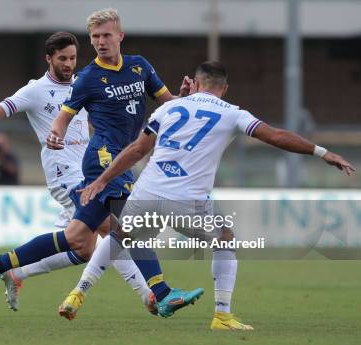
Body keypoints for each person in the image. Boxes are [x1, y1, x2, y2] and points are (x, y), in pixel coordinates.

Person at [74, 61, 356, 329]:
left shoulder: (170, 108)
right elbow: (276, 136)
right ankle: (222, 315)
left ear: (194, 83)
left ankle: (78, 293)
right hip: (186, 200)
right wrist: (322, 152)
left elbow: (137, 149)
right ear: (225, 87)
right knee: (224, 239)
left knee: (118, 238)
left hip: (147, 192)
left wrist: (101, 179)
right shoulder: (233, 112)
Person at [0, 8, 202, 320]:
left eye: (106, 35)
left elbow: (169, 104)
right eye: (95, 37)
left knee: (77, 239)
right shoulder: (87, 78)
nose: (100, 42)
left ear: (120, 36)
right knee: (129, 226)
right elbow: (63, 116)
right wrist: (55, 134)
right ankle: (160, 294)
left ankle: (0, 264)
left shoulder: (140, 67)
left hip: (121, 157)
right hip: (103, 160)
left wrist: (184, 98)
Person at [0, 31, 153, 312]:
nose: (69, 63)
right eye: (62, 58)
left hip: (89, 172)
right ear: (49, 58)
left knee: (83, 249)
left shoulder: (85, 83)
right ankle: (149, 295)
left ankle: (14, 271)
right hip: (63, 175)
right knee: (110, 227)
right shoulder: (35, 90)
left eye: (72, 57)